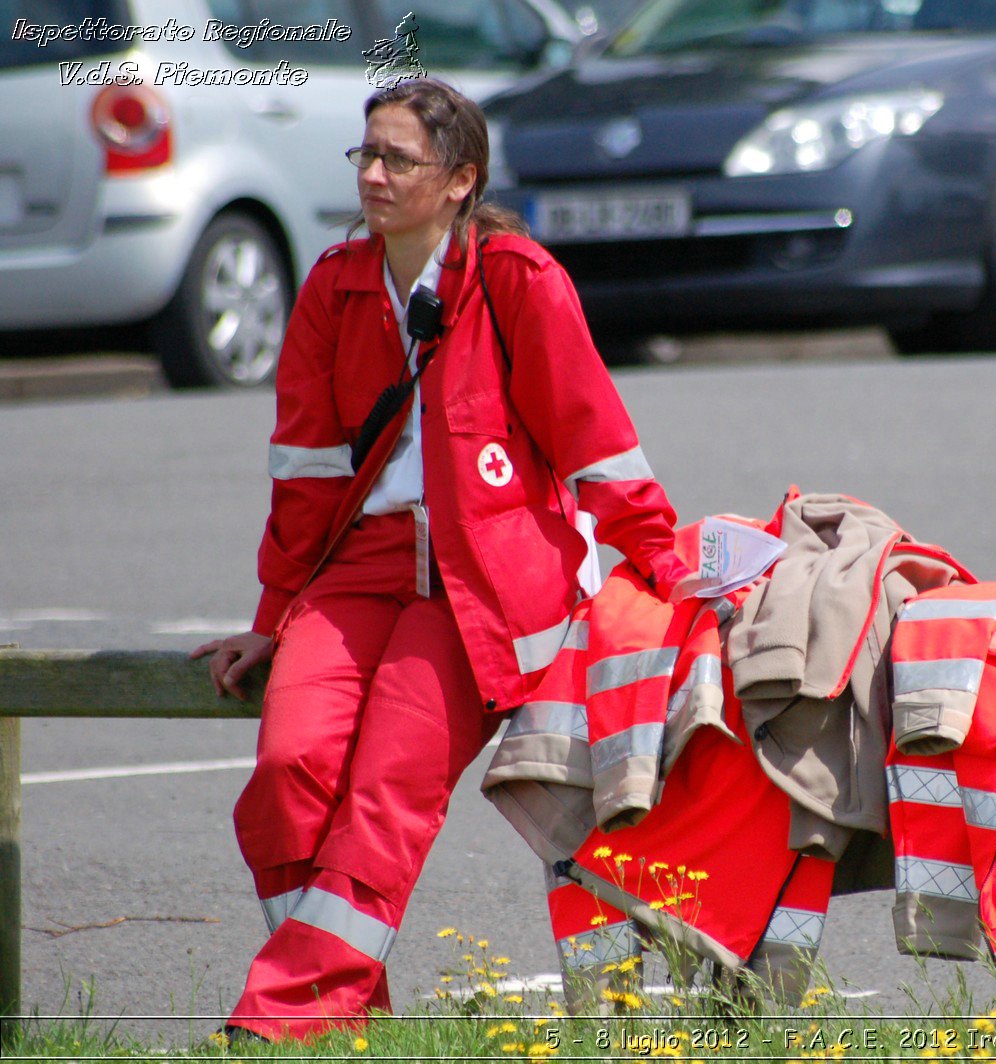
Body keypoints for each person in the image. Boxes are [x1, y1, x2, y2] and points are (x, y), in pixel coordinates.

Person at [191, 77, 690, 1043]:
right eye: (365, 155)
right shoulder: (334, 286)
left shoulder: (518, 281)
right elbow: (302, 477)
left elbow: (599, 448)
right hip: (359, 569)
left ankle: (282, 1016)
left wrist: (666, 571)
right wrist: (272, 616)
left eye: (398, 160)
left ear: (461, 180)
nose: (373, 176)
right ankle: (340, 1014)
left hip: (482, 581)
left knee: (387, 787)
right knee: (288, 769)